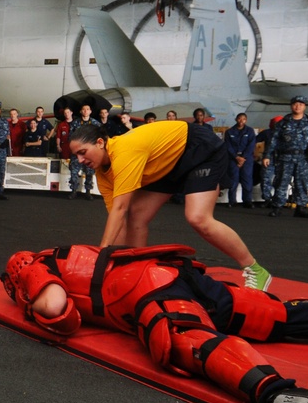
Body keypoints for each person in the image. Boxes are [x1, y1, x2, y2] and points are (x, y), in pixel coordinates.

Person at [1, 244, 308, 403]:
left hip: (145, 289)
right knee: (271, 315)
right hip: (173, 273)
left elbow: (56, 307)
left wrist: (29, 305)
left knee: (184, 340)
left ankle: (278, 395)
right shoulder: (70, 252)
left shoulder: (34, 266)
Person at [67, 120, 273, 290]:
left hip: (198, 149)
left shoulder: (124, 153)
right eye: (76, 155)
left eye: (83, 152)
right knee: (136, 216)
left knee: (198, 218)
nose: (80, 159)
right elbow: (118, 218)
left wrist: (102, 258)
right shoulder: (103, 173)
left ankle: (255, 269)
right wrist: (115, 264)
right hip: (166, 162)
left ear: (101, 142)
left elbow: (120, 209)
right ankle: (136, 275)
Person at [264, 95, 308, 219]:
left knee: (302, 183)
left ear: (304, 106)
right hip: (285, 157)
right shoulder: (282, 123)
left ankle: (301, 207)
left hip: (303, 158)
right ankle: (277, 206)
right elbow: (273, 140)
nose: (298, 106)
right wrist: (267, 156)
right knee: (281, 182)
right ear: (291, 106)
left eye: (301, 104)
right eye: (295, 104)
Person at [68, 104, 101, 200]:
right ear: (81, 112)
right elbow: (70, 137)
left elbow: (100, 137)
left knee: (89, 172)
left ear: (90, 111)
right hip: (77, 153)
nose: (85, 111)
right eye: (84, 109)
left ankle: (88, 191)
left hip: (90, 153)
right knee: (74, 172)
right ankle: (73, 191)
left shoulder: (95, 123)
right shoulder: (75, 123)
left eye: (87, 109)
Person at [224, 112, 256, 209]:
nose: (241, 121)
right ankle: (232, 201)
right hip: (233, 158)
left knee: (247, 179)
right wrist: (236, 157)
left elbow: (251, 145)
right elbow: (228, 146)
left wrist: (243, 158)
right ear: (236, 119)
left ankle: (247, 201)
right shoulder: (229, 132)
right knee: (233, 179)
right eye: (239, 119)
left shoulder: (250, 131)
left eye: (243, 119)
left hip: (247, 158)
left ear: (246, 120)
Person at [254, 116, 283, 208]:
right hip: (269, 159)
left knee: (281, 181)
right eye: (275, 123)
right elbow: (254, 141)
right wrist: (255, 153)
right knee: (265, 179)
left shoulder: (287, 133)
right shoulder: (267, 133)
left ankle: (278, 200)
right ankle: (267, 199)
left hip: (282, 160)